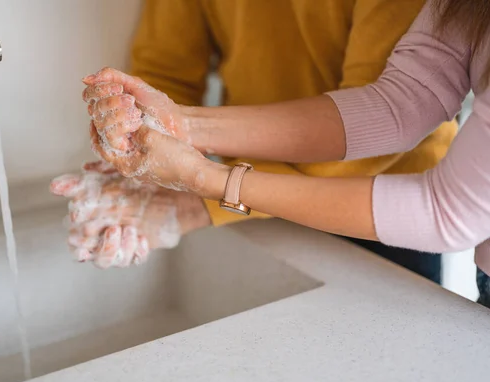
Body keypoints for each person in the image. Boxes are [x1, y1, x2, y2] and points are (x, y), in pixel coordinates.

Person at [77, 0, 490, 306]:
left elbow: (444, 211)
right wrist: (174, 130)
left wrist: (201, 194)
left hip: (385, 196)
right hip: (253, 193)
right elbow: (394, 106)